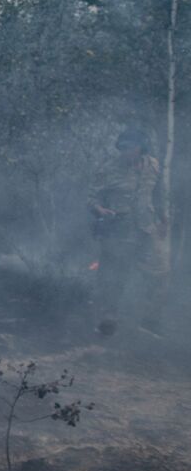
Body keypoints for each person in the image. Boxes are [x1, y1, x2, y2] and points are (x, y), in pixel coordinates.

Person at [87, 127, 170, 337]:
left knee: (159, 273)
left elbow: (158, 193)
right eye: (122, 148)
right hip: (118, 230)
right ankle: (108, 319)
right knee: (114, 276)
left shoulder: (153, 165)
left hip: (146, 228)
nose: (125, 152)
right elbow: (91, 196)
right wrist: (99, 209)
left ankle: (150, 321)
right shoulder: (108, 168)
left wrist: (163, 219)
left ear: (140, 147)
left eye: (129, 147)